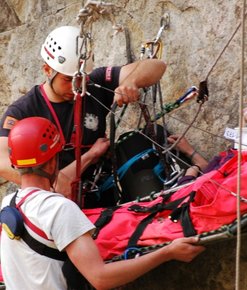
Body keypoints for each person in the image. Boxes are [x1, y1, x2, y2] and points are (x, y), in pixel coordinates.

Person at [0, 117, 205, 290]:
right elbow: (100, 278)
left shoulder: (9, 203)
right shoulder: (58, 209)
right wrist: (167, 253)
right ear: (53, 161)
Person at [0, 25, 166, 202]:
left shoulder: (94, 84)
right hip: (59, 196)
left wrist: (131, 81)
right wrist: (52, 181)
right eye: (68, 79)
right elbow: (2, 162)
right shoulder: (24, 110)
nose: (77, 86)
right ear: (48, 70)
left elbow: (157, 66)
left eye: (81, 78)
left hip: (101, 184)